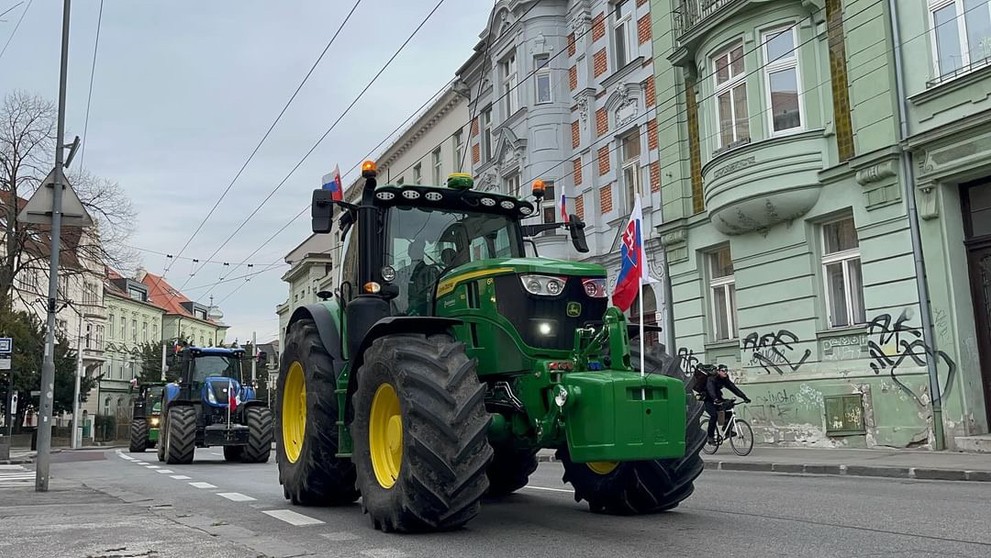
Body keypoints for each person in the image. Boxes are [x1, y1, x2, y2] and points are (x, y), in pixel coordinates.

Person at [704, 365, 750, 445]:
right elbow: (710, 390)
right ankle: (710, 437)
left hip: (718, 399)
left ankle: (726, 430)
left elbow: (733, 388)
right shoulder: (711, 379)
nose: (725, 372)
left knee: (729, 410)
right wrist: (715, 399)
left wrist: (744, 397)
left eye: (726, 370)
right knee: (714, 415)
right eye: (723, 370)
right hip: (708, 400)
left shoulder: (725, 379)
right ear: (718, 371)